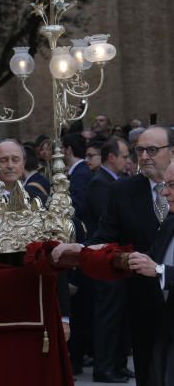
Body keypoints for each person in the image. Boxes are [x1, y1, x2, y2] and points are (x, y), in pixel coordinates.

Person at [52, 125, 174, 386]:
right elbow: (104, 238)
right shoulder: (124, 190)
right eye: (139, 150)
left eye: (152, 150)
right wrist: (81, 250)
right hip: (144, 304)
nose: (144, 156)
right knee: (150, 374)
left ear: (172, 151)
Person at [86, 138, 133, 383]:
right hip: (105, 258)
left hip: (119, 258)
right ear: (112, 157)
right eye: (125, 156)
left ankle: (118, 364)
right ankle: (104, 368)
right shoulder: (100, 183)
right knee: (108, 316)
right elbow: (110, 221)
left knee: (120, 316)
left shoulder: (114, 182)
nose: (128, 161)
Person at [128, 160, 174, 385]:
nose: (165, 192)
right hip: (164, 332)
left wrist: (158, 270)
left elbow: (155, 267)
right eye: (166, 184)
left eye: (172, 185)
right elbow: (150, 257)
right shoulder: (170, 222)